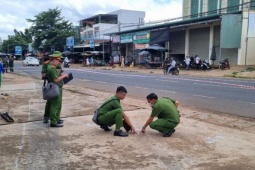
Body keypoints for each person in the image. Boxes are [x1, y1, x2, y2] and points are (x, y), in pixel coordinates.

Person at [47, 51, 69, 127]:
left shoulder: (52, 67)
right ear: (55, 60)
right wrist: (64, 76)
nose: (59, 62)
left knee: (58, 105)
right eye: (59, 60)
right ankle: (53, 121)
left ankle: (56, 119)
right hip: (55, 88)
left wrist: (60, 73)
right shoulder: (52, 68)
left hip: (57, 87)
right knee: (55, 105)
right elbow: (56, 80)